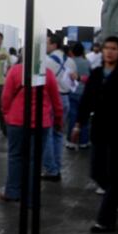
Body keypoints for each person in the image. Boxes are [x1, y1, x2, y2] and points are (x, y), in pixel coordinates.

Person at [72, 36, 118, 233]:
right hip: (99, 130)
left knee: (112, 174)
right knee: (97, 173)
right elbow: (86, 100)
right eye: (107, 48)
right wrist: (78, 124)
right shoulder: (96, 73)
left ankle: (105, 221)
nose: (109, 51)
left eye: (114, 48)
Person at [0, 51, 64, 202]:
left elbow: (6, 97)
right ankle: (30, 195)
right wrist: (58, 120)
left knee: (15, 156)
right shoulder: (47, 73)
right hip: (41, 122)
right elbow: (56, 100)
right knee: (34, 159)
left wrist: (6, 114)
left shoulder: (15, 71)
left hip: (16, 121)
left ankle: (12, 192)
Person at [43, 32, 76, 180]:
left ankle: (51, 169)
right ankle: (57, 166)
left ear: (54, 44)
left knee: (47, 135)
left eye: (47, 43)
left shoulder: (46, 61)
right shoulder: (70, 61)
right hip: (65, 99)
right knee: (58, 134)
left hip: (50, 100)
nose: (45, 46)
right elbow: (73, 82)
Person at [66, 42, 92, 151]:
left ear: (72, 51)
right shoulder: (87, 62)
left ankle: (71, 142)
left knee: (72, 117)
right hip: (85, 93)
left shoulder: (69, 62)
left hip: (72, 92)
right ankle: (83, 142)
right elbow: (90, 78)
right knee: (84, 118)